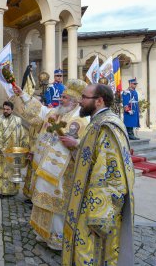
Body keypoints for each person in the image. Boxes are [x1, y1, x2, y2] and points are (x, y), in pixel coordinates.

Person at [62, 83, 135, 266]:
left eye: (84, 97)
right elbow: (92, 158)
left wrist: (99, 217)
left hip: (95, 210)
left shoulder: (106, 127)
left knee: (92, 254)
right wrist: (77, 146)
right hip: (86, 201)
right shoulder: (97, 123)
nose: (80, 101)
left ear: (99, 101)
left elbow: (112, 174)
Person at [12, 79, 89, 250]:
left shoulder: (80, 120)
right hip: (44, 168)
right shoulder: (56, 112)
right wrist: (22, 94)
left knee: (56, 208)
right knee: (42, 203)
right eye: (61, 96)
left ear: (75, 102)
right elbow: (40, 110)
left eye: (65, 97)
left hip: (61, 173)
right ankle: (42, 233)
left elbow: (79, 145)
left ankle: (57, 239)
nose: (61, 100)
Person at [0, 101, 29, 198]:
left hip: (14, 152)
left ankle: (12, 190)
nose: (5, 111)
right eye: (4, 109)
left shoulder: (18, 120)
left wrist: (25, 147)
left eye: (8, 109)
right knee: (1, 170)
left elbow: (22, 135)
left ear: (12, 110)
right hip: (1, 151)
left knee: (12, 170)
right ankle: (0, 190)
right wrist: (1, 149)